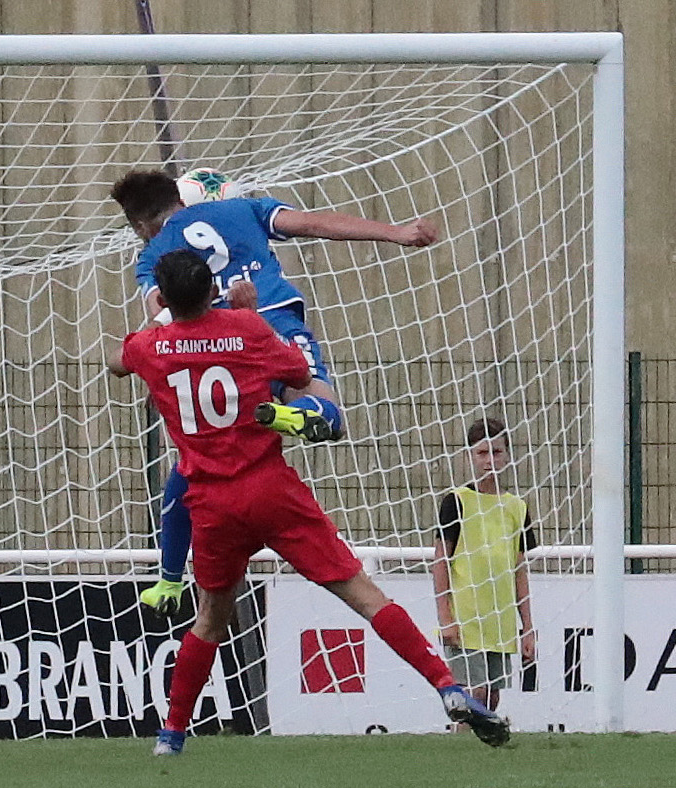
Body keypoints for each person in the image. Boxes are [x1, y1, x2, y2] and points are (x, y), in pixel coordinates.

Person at [108, 249, 509, 754]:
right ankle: (447, 686)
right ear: (213, 289)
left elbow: (116, 362)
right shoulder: (246, 328)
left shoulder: (150, 346)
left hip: (211, 501)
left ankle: (171, 737)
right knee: (365, 594)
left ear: (164, 299)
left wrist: (163, 322)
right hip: (271, 488)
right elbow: (298, 371)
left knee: (210, 617)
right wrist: (249, 314)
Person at [109, 168, 439, 620]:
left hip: (219, 351)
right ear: (181, 200)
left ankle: (168, 578)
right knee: (326, 410)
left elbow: (163, 317)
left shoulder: (152, 256)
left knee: (191, 463)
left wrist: (157, 372)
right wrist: (397, 232)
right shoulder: (245, 208)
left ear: (140, 225)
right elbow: (315, 223)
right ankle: (296, 413)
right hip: (276, 322)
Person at [432, 418, 536, 725]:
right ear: (470, 457)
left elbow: (519, 570)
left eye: (496, 452)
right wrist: (446, 617)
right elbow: (441, 561)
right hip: (466, 618)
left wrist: (527, 626)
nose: (490, 460)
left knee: (491, 696)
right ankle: (462, 745)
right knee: (471, 697)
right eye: (482, 453)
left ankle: (476, 748)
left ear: (507, 455)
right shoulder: (457, 502)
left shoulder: (517, 507)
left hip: (499, 621)